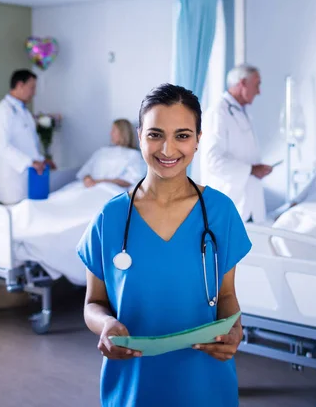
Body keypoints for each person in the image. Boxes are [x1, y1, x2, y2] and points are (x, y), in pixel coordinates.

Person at [77, 83, 251, 407]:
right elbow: (93, 304)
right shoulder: (111, 216)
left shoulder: (220, 212)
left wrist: (235, 329)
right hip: (133, 386)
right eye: (156, 134)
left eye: (182, 135)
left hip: (206, 384)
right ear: (140, 135)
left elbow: (226, 296)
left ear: (198, 140)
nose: (168, 149)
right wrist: (106, 324)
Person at [200, 63, 272, 223]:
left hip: (247, 203)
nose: (259, 91)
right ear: (243, 83)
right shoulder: (218, 113)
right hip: (230, 200)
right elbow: (212, 160)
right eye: (257, 84)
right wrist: (252, 170)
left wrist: (255, 169)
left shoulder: (240, 112)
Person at [0, 69, 54, 205]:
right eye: (32, 88)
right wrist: (29, 162)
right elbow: (1, 146)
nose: (34, 93)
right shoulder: (2, 112)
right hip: (13, 184)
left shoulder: (24, 112)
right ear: (19, 85)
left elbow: (30, 145)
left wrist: (42, 160)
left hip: (31, 181)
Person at [76, 119, 145, 189]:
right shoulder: (102, 151)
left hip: (111, 190)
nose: (110, 133)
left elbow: (132, 180)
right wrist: (87, 179)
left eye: (114, 130)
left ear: (123, 133)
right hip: (89, 187)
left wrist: (100, 181)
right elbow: (86, 170)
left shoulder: (133, 155)